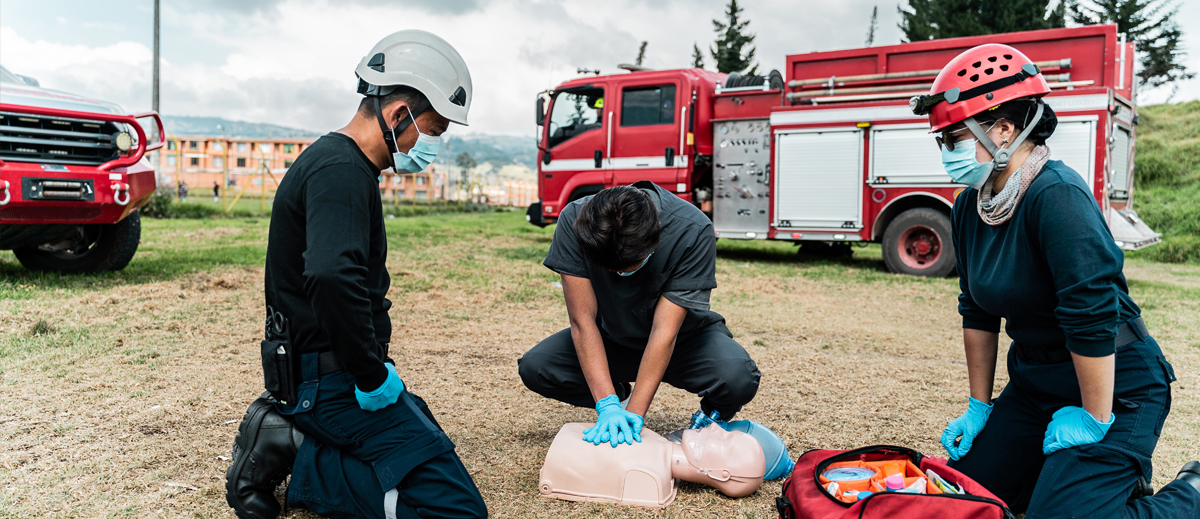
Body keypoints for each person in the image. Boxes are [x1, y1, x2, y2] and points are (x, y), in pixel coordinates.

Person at [909, 43, 1200, 517]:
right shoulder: (969, 205)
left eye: (954, 137)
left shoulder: (1057, 196)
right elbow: (977, 310)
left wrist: (1093, 415)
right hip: (1036, 382)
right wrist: (978, 407)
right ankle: (1085, 482)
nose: (947, 151)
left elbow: (1091, 314)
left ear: (1003, 129)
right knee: (965, 501)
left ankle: (1190, 493)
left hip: (1116, 382)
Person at [224, 30, 486, 519]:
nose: (430, 146)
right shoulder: (340, 172)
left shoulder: (345, 165)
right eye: (433, 131)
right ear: (398, 115)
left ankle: (297, 439)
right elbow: (329, 276)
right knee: (456, 510)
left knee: (420, 428)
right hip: (329, 382)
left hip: (332, 373)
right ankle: (293, 446)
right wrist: (369, 378)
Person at [518, 181, 761, 449]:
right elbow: (582, 321)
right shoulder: (574, 221)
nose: (619, 277)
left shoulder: (692, 229)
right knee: (537, 367)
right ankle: (618, 394)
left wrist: (636, 414)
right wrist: (607, 403)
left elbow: (664, 332)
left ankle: (707, 424)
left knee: (737, 377)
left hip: (682, 341)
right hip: (612, 339)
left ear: (655, 239)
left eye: (627, 268)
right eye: (609, 270)